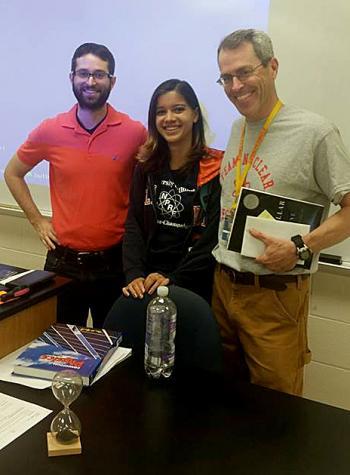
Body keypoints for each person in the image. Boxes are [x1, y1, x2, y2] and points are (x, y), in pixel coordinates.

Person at [212, 29, 350, 395]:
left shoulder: (315, 132)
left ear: (272, 67)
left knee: (276, 416)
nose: (235, 86)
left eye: (244, 72)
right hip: (223, 287)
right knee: (225, 402)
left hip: (273, 294)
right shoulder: (238, 127)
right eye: (226, 77)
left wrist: (300, 247)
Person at [4, 43, 146, 328]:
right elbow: (12, 173)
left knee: (115, 349)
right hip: (63, 262)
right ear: (72, 78)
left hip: (115, 264)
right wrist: (37, 220)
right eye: (83, 73)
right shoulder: (50, 130)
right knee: (60, 350)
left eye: (99, 74)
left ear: (112, 81)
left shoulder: (135, 133)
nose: (90, 82)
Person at [104, 79, 223, 373]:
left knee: (185, 372)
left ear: (195, 114)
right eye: (161, 112)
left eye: (178, 109)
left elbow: (213, 237)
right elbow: (133, 222)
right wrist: (133, 274)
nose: (169, 119)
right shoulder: (146, 166)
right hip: (145, 283)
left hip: (193, 286)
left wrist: (174, 278)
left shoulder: (216, 168)